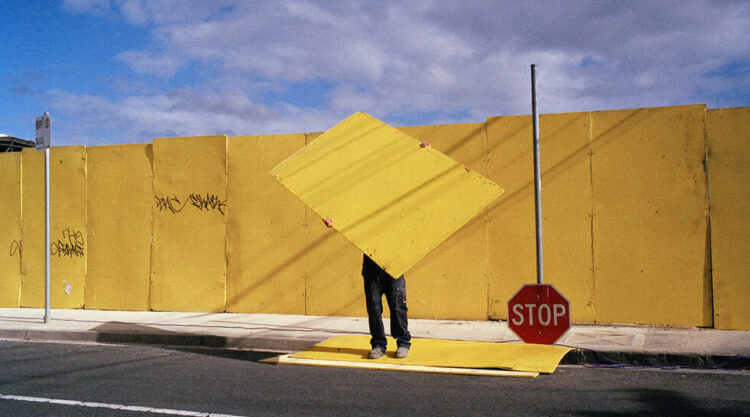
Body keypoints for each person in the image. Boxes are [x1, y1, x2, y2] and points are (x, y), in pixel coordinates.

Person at [361, 254, 411, 359]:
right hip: (371, 265)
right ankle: (378, 344)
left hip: (395, 263)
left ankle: (403, 343)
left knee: (398, 305)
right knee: (374, 307)